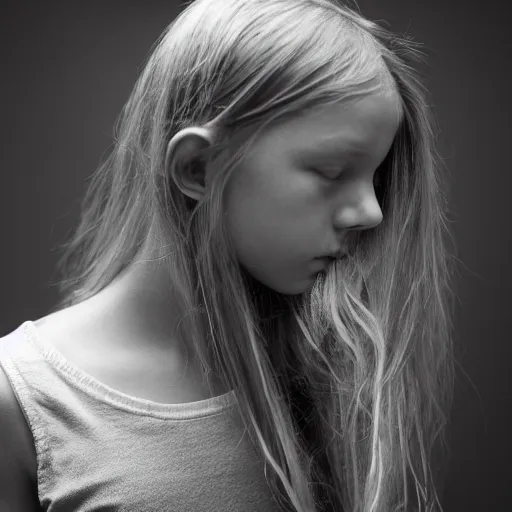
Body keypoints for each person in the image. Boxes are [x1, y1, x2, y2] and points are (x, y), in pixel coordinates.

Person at [0, 0, 457, 510]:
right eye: (332, 171)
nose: (372, 212)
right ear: (198, 168)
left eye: (376, 177)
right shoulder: (23, 401)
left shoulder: (331, 373)